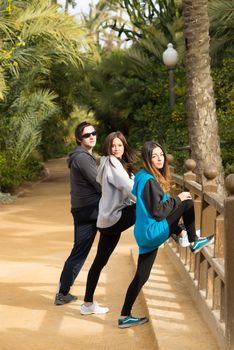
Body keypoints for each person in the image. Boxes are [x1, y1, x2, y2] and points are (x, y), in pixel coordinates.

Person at [118, 141, 214, 328]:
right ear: (147, 159)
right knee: (185, 202)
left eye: (161, 154)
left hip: (144, 232)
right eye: (154, 156)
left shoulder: (142, 177)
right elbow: (159, 212)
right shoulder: (150, 182)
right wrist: (177, 199)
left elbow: (157, 209)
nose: (160, 158)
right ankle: (192, 240)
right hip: (152, 232)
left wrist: (172, 205)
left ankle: (124, 316)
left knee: (141, 276)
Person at [80, 131, 136, 315]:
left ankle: (87, 304)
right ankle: (179, 232)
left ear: (124, 146)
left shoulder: (111, 163)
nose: (116, 148)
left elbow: (123, 186)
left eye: (119, 145)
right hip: (114, 218)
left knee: (99, 262)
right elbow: (127, 187)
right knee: (148, 207)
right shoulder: (112, 162)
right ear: (108, 147)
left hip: (107, 221)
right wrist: (143, 197)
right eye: (113, 145)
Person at [54, 121, 101, 305]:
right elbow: (99, 183)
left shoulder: (81, 156)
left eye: (93, 133)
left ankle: (63, 292)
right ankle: (176, 229)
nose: (92, 137)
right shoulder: (82, 157)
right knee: (131, 211)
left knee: (79, 251)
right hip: (90, 210)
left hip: (84, 209)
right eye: (87, 135)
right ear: (78, 139)